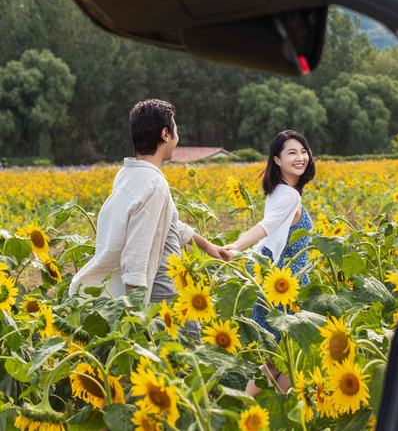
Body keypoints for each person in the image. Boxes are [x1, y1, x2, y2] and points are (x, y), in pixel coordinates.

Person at [68, 99, 231, 325]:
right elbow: (136, 254)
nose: (177, 136)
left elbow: (169, 222)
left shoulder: (128, 174)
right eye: (175, 129)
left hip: (161, 288)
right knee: (185, 354)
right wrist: (135, 318)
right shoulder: (154, 184)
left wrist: (207, 245)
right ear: (165, 134)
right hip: (163, 294)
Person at [224, 130, 316, 395]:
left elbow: (270, 236)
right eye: (292, 153)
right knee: (293, 357)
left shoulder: (277, 191)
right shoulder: (289, 195)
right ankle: (274, 410)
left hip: (273, 283)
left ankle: (254, 410)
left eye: (303, 151)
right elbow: (266, 227)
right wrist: (236, 247)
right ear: (276, 159)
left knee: (274, 361)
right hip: (287, 287)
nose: (300, 158)